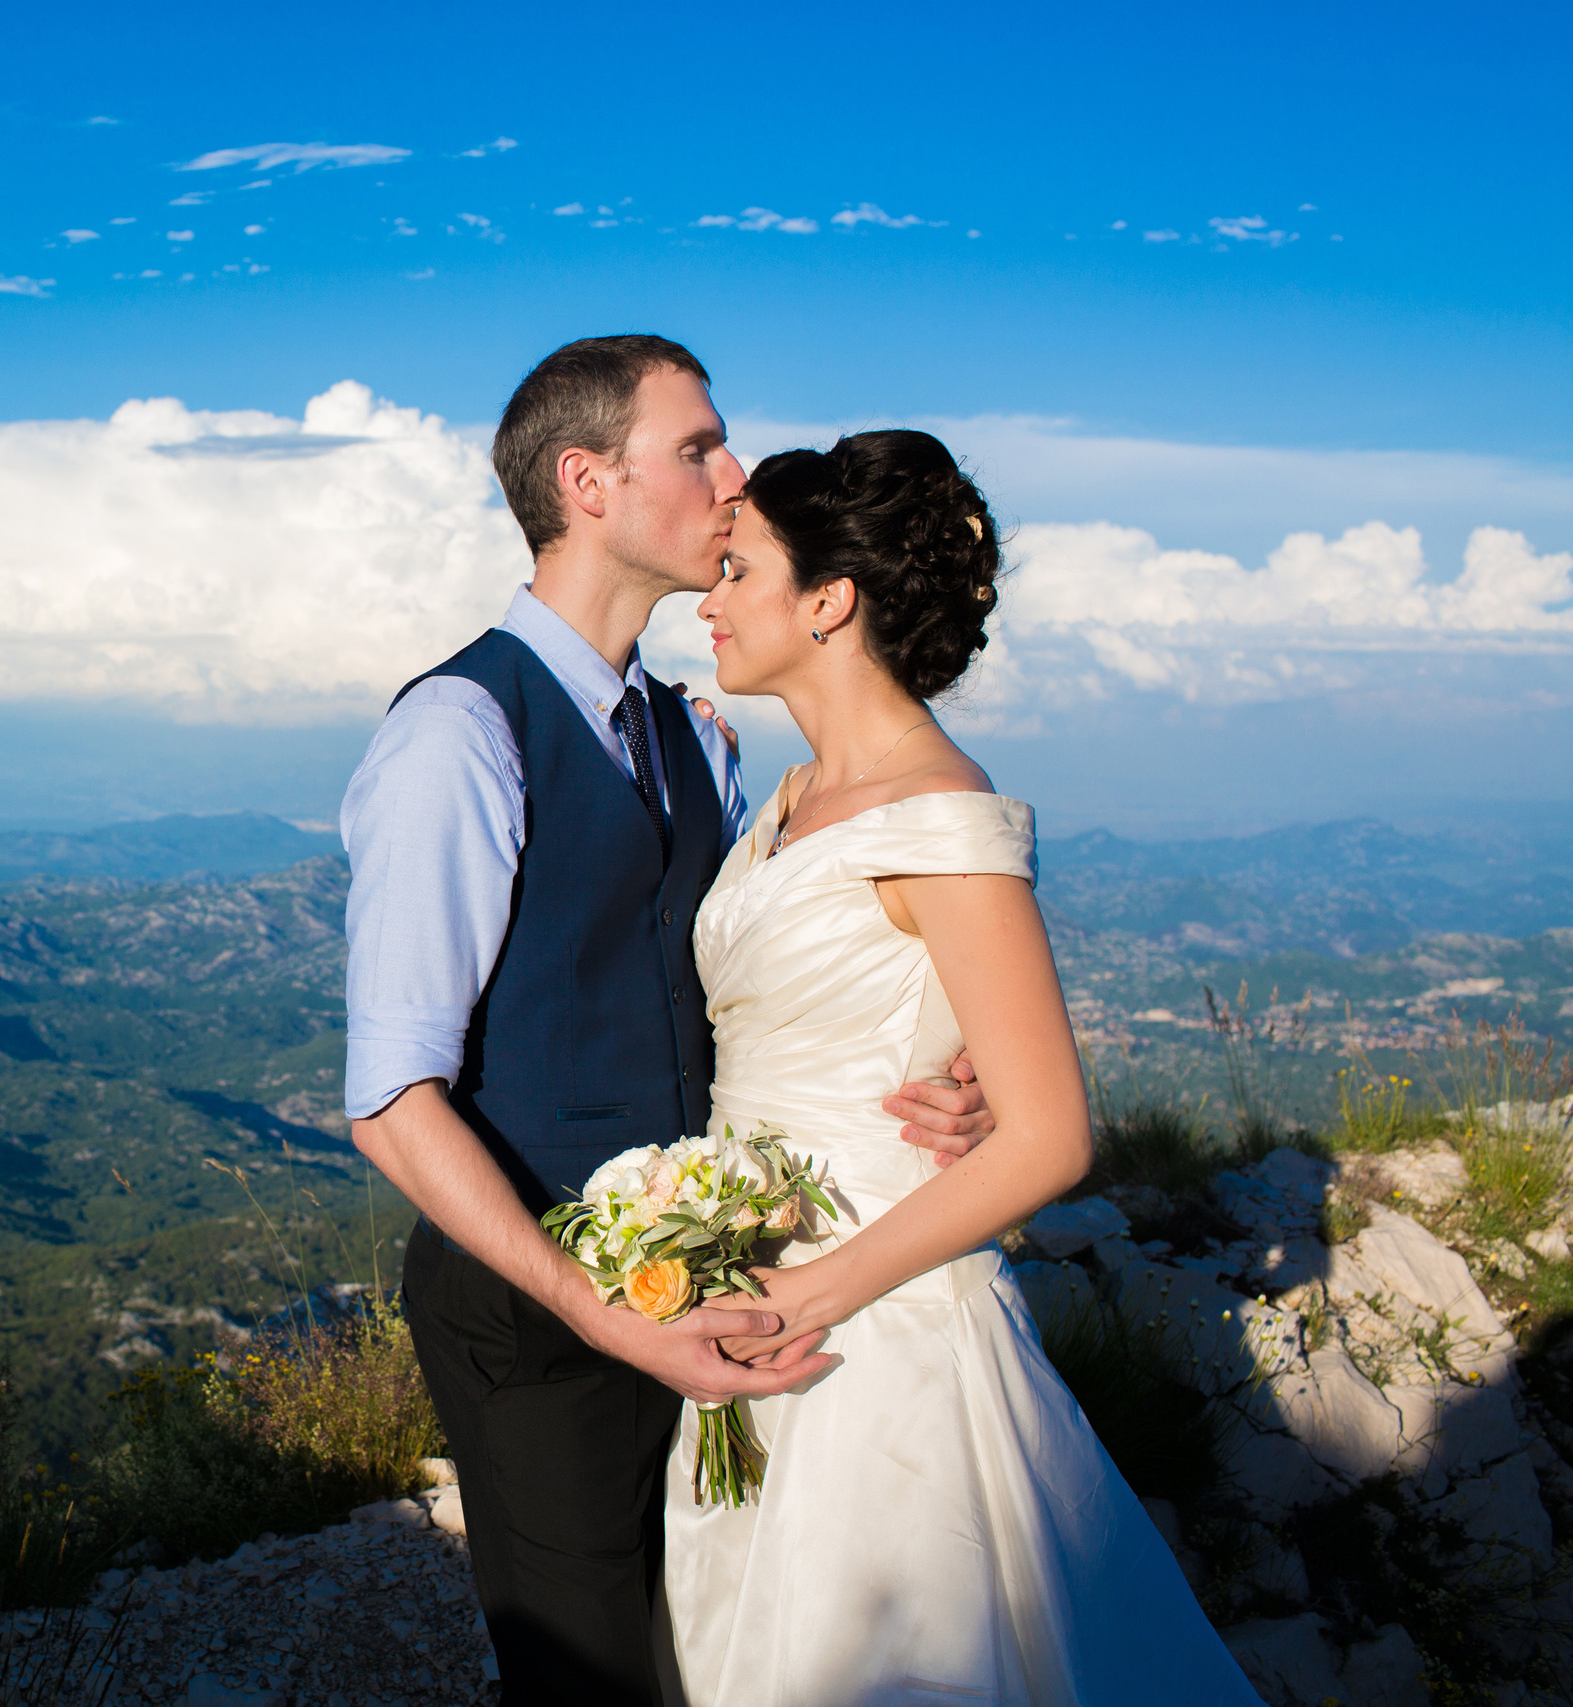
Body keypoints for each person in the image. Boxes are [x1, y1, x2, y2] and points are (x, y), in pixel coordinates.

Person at [341, 336, 998, 1706]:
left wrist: (950, 1056)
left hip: (709, 1282)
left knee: (709, 1651)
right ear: (587, 481)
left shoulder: (702, 735)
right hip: (535, 1310)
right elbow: (393, 1099)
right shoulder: (460, 732)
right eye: (698, 445)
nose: (734, 474)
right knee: (595, 1681)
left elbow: (782, 980)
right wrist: (600, 1307)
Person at [659, 428, 1260, 1703]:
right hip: (750, 1294)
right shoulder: (789, 795)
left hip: (876, 1323)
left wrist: (812, 1297)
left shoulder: (939, 816)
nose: (705, 601)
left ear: (828, 601)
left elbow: (1049, 1136)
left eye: (735, 571)